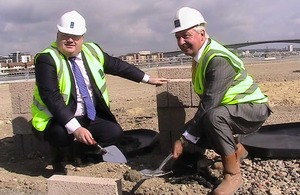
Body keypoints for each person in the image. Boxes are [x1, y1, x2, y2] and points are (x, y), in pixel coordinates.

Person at [31, 10, 167, 174]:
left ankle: (81, 152)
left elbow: (118, 66)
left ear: (82, 38)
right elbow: (52, 98)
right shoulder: (47, 59)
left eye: (75, 36)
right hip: (57, 119)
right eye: (65, 35)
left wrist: (147, 78)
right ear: (58, 34)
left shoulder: (92, 51)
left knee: (114, 133)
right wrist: (76, 129)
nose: (70, 40)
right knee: (61, 135)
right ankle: (59, 157)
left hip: (87, 115)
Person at [170, 7, 271, 195]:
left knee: (213, 118)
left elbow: (210, 104)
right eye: (178, 37)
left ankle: (233, 174)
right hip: (232, 108)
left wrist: (186, 138)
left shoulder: (216, 59)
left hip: (253, 108)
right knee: (197, 127)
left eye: (186, 36)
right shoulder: (200, 55)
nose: (181, 42)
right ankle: (237, 151)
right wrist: (187, 134)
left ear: (201, 33)